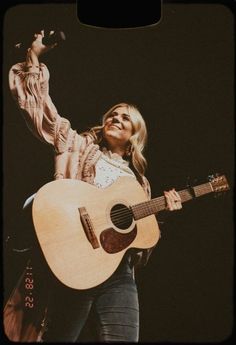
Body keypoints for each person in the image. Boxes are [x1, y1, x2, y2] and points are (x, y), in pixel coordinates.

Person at [8, 30, 182, 342]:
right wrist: (33, 58)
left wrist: (162, 212)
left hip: (119, 275)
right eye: (113, 114)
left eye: (125, 119)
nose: (116, 118)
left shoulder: (139, 184)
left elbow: (139, 247)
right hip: (75, 265)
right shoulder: (77, 146)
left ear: (134, 138)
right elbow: (40, 112)